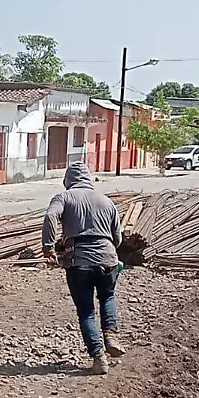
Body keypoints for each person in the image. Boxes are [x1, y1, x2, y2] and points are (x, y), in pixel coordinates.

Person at [41, 161, 124, 375]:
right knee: (107, 297)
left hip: (79, 262)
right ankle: (111, 336)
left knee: (86, 311)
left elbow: (51, 216)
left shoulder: (65, 197)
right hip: (108, 259)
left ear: (67, 180)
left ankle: (99, 358)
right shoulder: (107, 202)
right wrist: (106, 252)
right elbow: (118, 238)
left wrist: (49, 248)